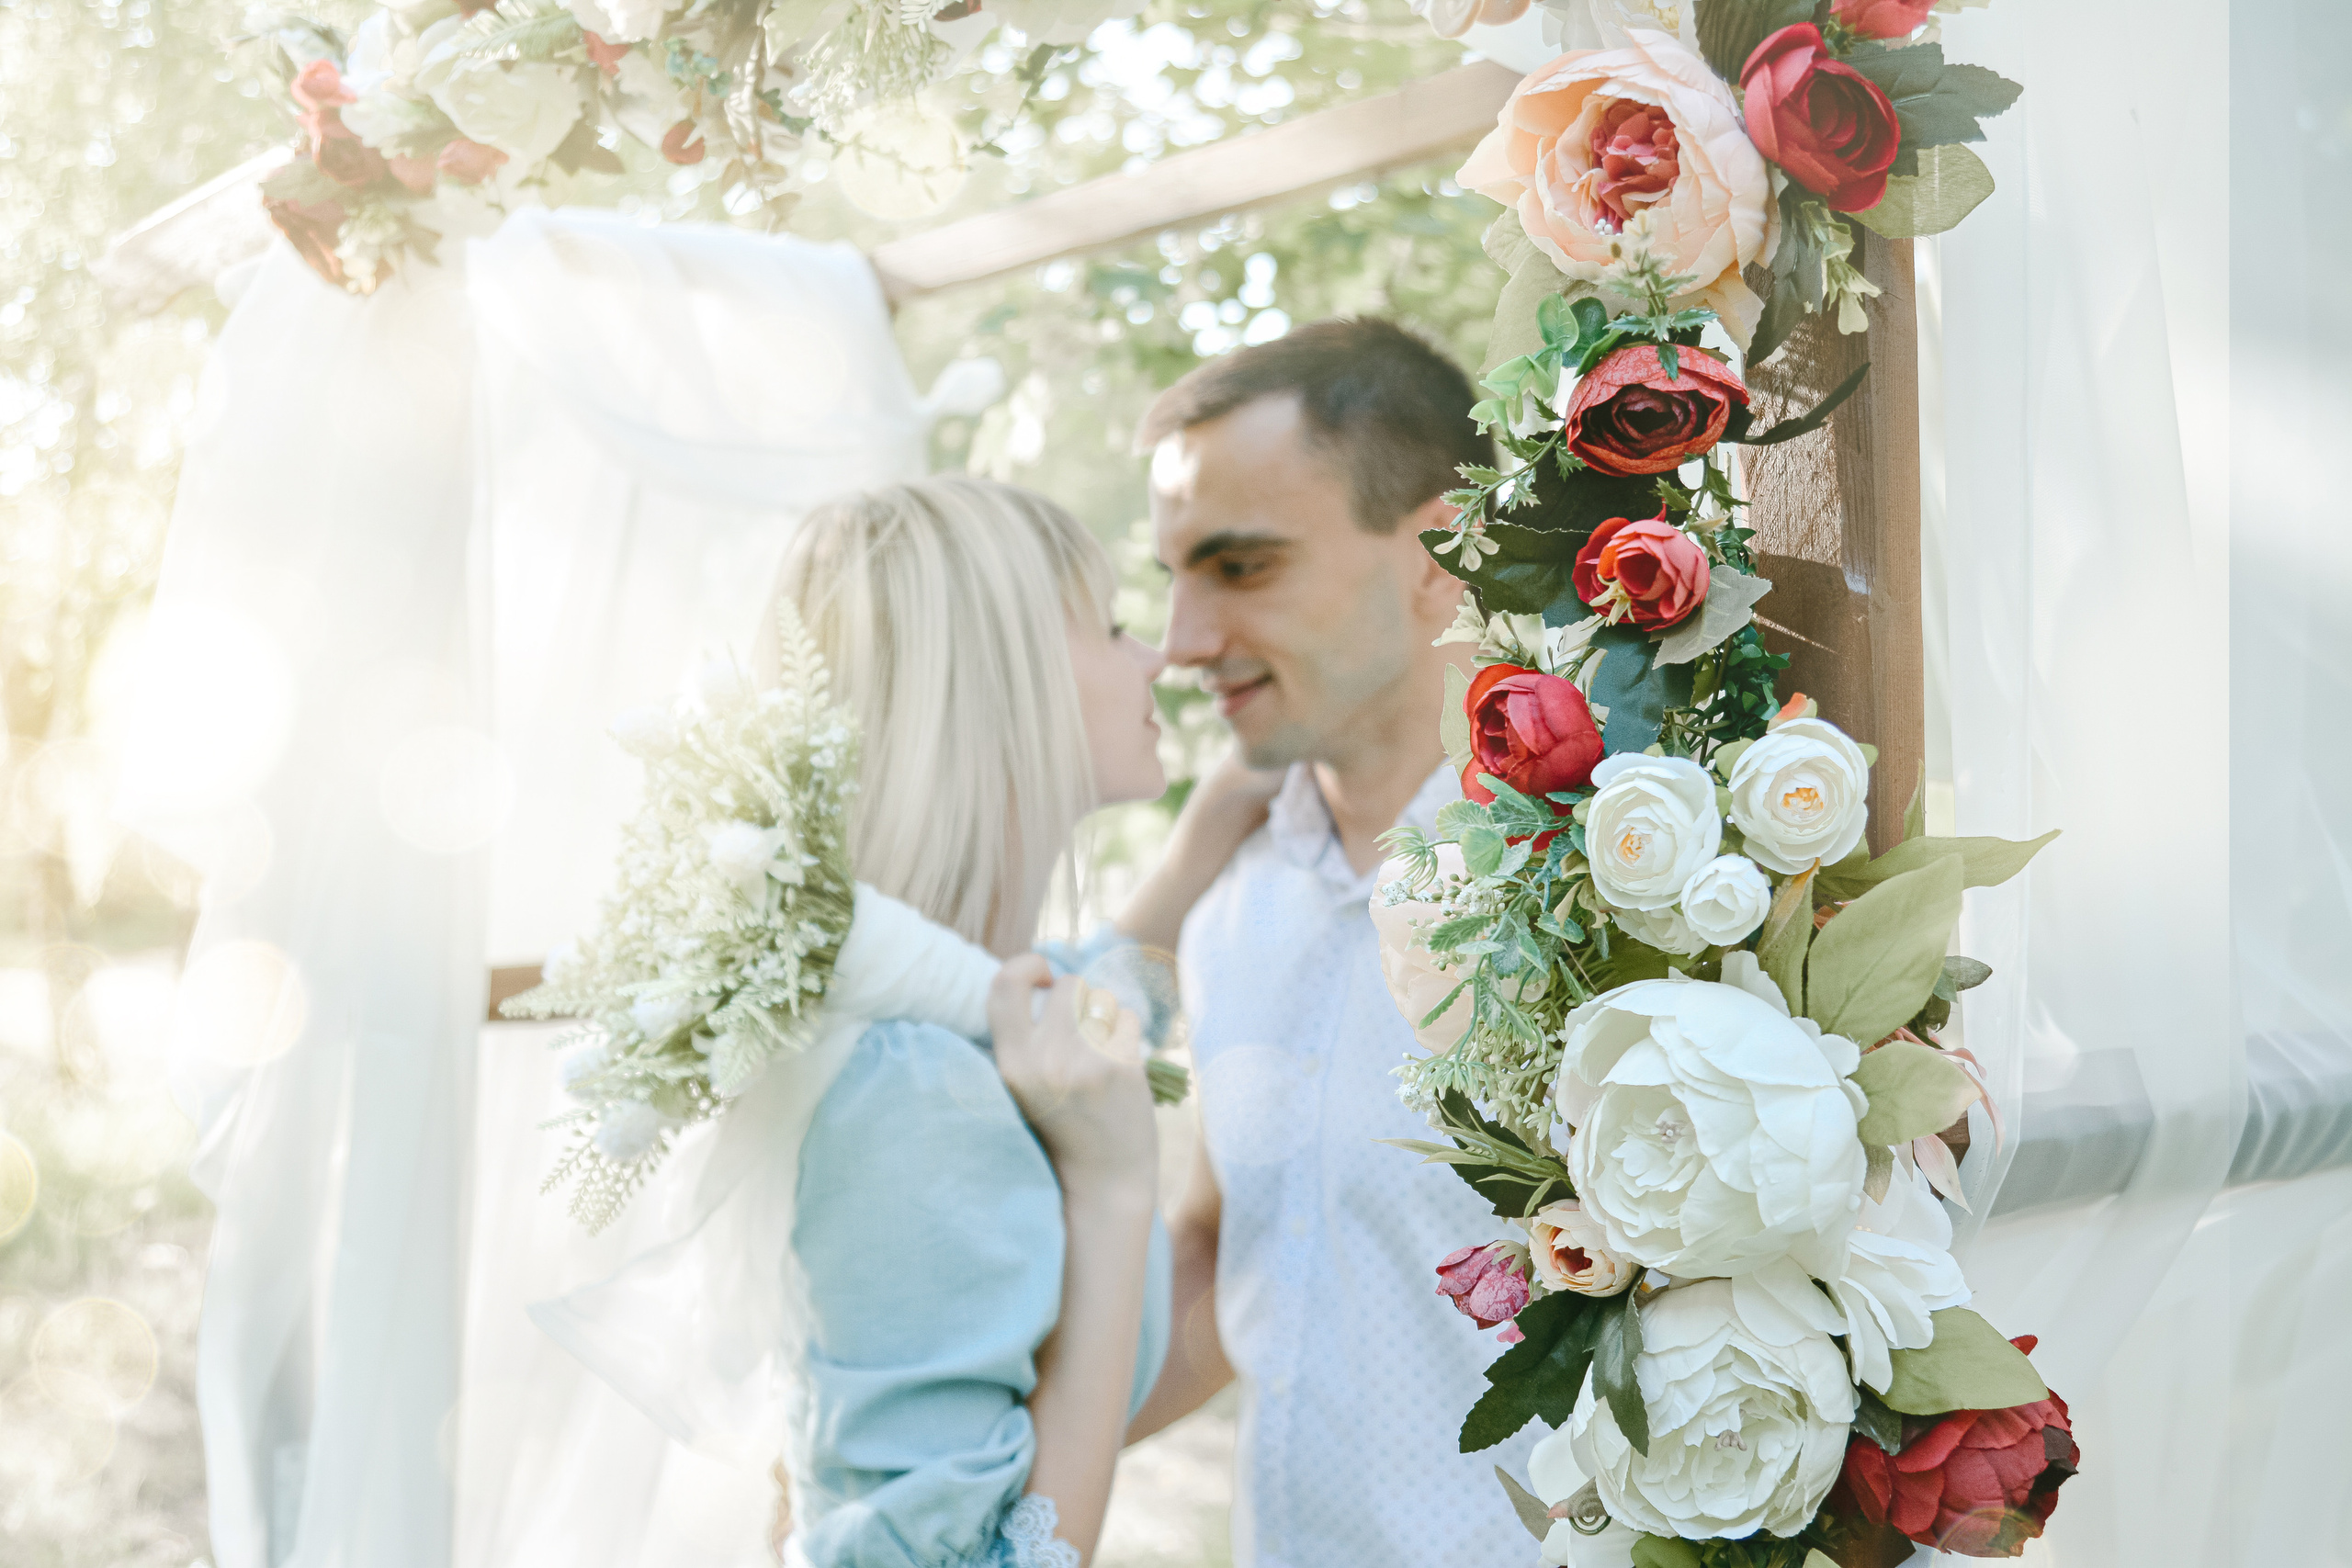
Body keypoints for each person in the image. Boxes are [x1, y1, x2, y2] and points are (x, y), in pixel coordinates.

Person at [752, 475, 1250, 1568]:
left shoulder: (956, 1010)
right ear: (1002, 684)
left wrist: (1209, 835)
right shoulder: (913, 1095)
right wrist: (1115, 1191)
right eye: (1114, 628)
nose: (1156, 658)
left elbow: (1078, 998)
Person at [1124, 319, 1543, 1565]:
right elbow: (1222, 1253)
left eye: (1241, 567)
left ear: (1436, 551)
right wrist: (961, 1465)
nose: (1183, 639)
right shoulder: (1231, 907)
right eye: (1174, 578)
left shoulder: (1619, 891)